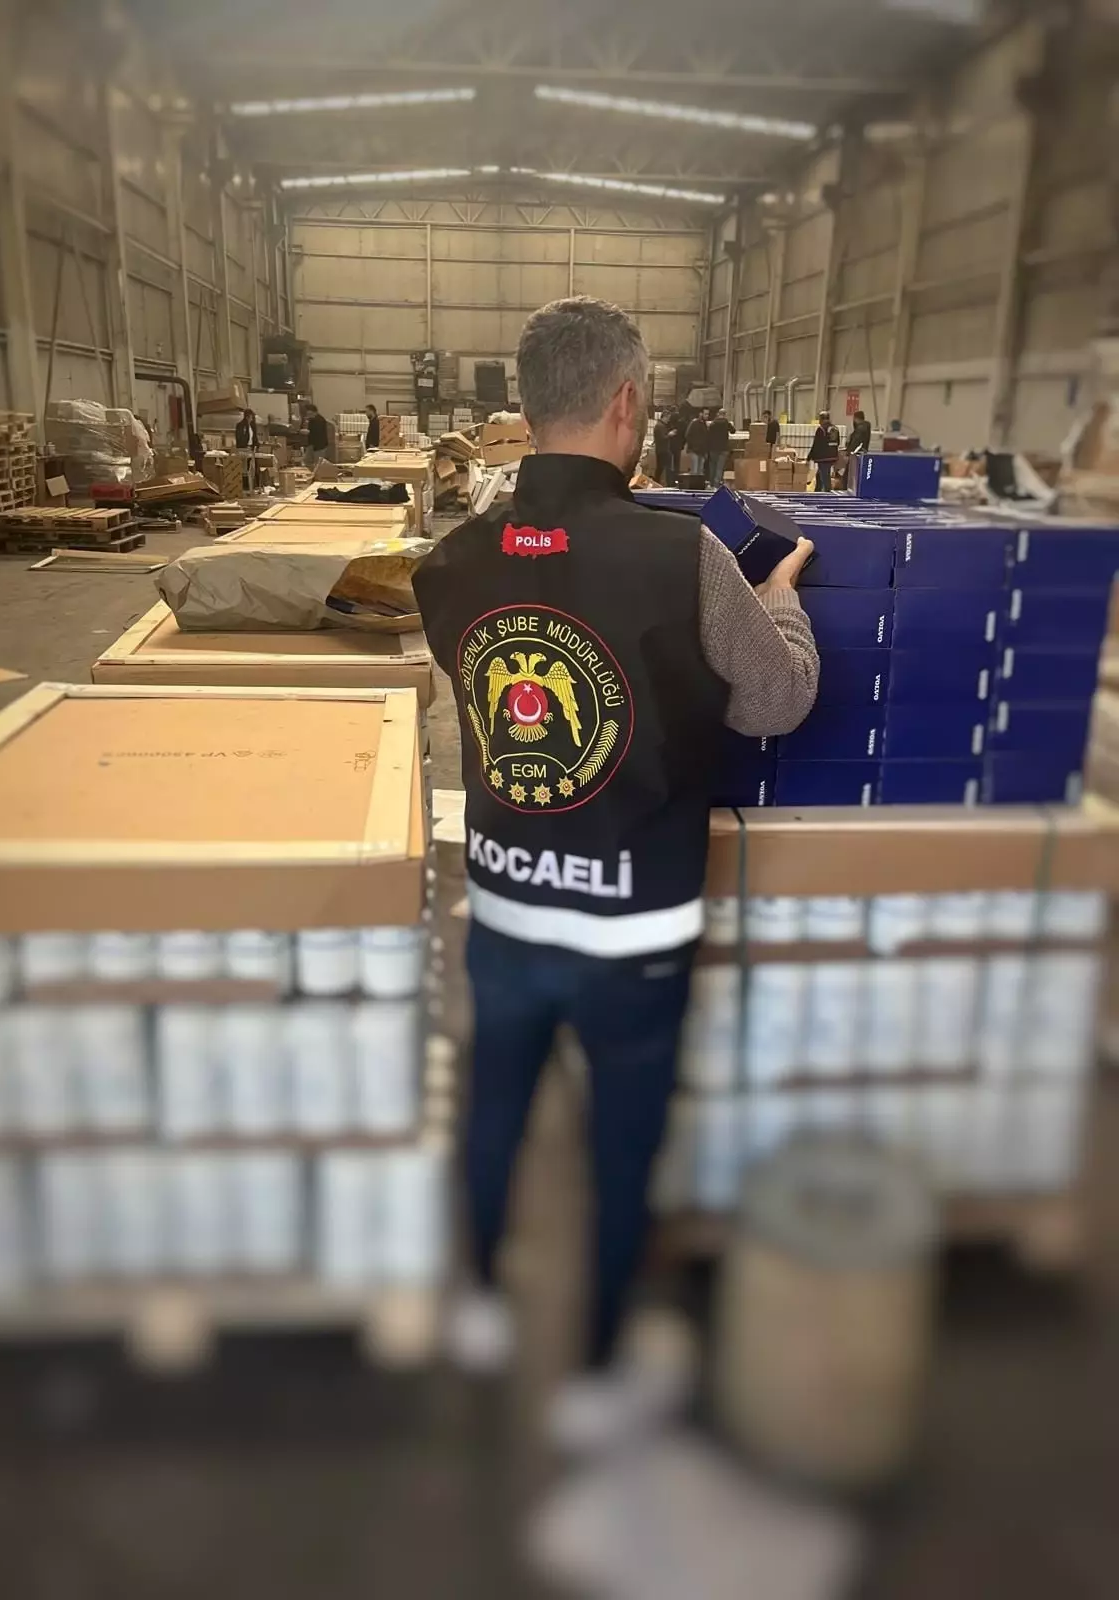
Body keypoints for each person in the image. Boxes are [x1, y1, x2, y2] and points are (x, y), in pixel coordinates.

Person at [413, 296, 817, 1445]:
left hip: (504, 901)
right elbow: (777, 702)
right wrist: (782, 607)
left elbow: (482, 676)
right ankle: (595, 1374)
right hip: (632, 928)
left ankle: (480, 1306)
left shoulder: (453, 560)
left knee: (496, 1105)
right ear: (629, 403)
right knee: (621, 1143)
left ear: (526, 403)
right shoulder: (685, 557)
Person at [808, 410, 842, 491]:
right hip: (833, 456)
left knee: (825, 477)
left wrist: (809, 457)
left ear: (821, 419)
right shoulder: (835, 429)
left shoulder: (821, 429)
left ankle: (828, 493)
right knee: (820, 474)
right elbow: (838, 442)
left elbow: (816, 444)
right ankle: (817, 490)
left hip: (823, 457)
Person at [706, 407, 734, 487]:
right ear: (725, 415)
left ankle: (711, 483)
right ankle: (716, 483)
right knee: (720, 467)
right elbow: (733, 431)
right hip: (723, 448)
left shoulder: (713, 423)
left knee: (713, 466)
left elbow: (708, 433)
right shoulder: (726, 423)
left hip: (713, 448)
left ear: (718, 414)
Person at [683, 408, 709, 480]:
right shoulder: (694, 423)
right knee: (694, 470)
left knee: (700, 471)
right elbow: (687, 435)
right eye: (705, 414)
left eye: (708, 414)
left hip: (702, 451)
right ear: (700, 414)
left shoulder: (705, 424)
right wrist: (693, 445)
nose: (707, 416)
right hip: (694, 450)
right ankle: (693, 484)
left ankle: (698, 485)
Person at [652, 413, 672, 484]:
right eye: (668, 418)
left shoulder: (660, 425)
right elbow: (662, 437)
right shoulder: (660, 426)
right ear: (664, 417)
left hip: (660, 449)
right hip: (663, 450)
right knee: (665, 467)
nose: (668, 420)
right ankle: (667, 482)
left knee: (660, 467)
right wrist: (669, 435)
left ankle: (656, 481)